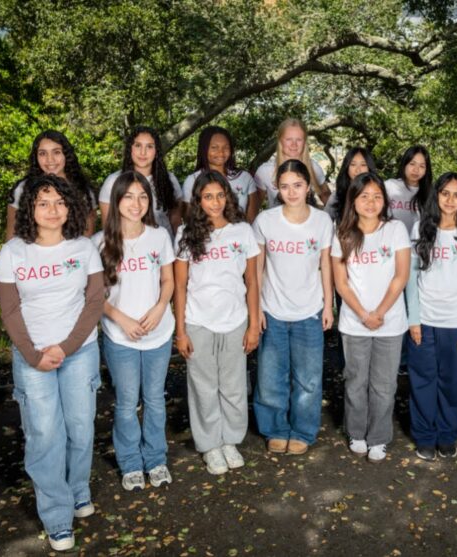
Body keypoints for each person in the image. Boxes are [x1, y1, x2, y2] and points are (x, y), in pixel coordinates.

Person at [0, 175, 105, 552]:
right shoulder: (13, 252)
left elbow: (94, 302)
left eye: (60, 202)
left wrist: (67, 346)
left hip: (79, 352)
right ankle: (57, 517)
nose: (53, 210)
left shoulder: (84, 248)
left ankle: (77, 491)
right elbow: (9, 309)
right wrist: (33, 354)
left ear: (70, 207)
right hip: (32, 357)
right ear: (30, 209)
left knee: (80, 429)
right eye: (43, 203)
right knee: (44, 436)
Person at [93, 171, 176, 492]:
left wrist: (159, 308)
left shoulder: (158, 237)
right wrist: (121, 319)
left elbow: (168, 281)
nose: (136, 203)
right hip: (120, 336)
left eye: (142, 197)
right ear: (116, 201)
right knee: (127, 402)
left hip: (158, 332)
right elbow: (95, 295)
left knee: (154, 399)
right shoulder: (99, 242)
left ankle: (156, 459)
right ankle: (130, 463)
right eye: (128, 196)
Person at [174, 171, 260, 475]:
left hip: (235, 320)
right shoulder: (186, 234)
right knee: (204, 386)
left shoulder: (242, 232)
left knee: (234, 386)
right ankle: (210, 444)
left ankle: (230, 440)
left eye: (220, 195)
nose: (215, 202)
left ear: (229, 196)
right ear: (198, 200)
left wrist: (252, 325)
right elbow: (180, 286)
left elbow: (251, 280)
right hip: (198, 321)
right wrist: (181, 331)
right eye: (208, 196)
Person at [252, 160, 334, 455]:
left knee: (308, 378)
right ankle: (275, 428)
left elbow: (326, 264)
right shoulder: (265, 221)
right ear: (277, 188)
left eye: (297, 185)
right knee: (271, 377)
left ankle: (302, 429)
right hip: (272, 310)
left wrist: (329, 306)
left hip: (309, 311)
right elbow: (258, 266)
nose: (291, 191)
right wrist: (257, 308)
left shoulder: (322, 222)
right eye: (284, 186)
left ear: (308, 186)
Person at [405, 172, 457, 461]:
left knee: (453, 382)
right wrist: (413, 318)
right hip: (425, 321)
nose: (450, 200)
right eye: (445, 193)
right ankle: (425, 436)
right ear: (436, 195)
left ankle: (448, 435)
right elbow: (410, 279)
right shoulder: (419, 229)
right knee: (423, 380)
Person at [331, 172, 410, 463]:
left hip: (390, 322)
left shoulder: (396, 229)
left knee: (384, 383)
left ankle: (379, 437)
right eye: (364, 196)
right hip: (354, 323)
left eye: (377, 196)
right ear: (353, 200)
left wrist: (379, 312)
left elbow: (400, 276)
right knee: (355, 380)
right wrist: (364, 314)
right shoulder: (342, 232)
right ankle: (356, 432)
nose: (371, 201)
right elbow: (341, 283)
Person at [5, 130, 96, 240]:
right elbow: (11, 236)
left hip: (71, 255)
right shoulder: (23, 189)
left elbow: (87, 237)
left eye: (56, 152)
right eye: (43, 153)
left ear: (66, 154)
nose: (50, 159)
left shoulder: (83, 191)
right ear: (36, 157)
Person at [100, 126, 183, 235]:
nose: (143, 152)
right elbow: (107, 225)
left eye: (149, 146)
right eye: (138, 145)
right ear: (130, 148)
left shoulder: (169, 179)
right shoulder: (113, 182)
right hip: (126, 247)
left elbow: (176, 220)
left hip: (164, 248)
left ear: (156, 151)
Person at [182, 126, 259, 223]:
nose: (221, 152)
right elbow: (189, 220)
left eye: (226, 147)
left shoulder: (244, 178)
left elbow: (252, 219)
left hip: (240, 236)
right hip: (205, 236)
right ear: (204, 149)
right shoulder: (192, 180)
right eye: (214, 147)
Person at [253, 118, 328, 211]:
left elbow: (327, 197)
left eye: (299, 140)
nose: (294, 144)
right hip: (276, 224)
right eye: (289, 139)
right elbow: (254, 207)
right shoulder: (265, 171)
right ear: (280, 140)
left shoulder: (314, 167)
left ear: (304, 142)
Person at [384, 145, 432, 234]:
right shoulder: (389, 186)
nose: (416, 170)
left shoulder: (430, 195)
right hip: (389, 243)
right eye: (412, 164)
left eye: (422, 166)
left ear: (426, 170)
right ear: (404, 164)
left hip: (416, 245)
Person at [325, 147, 378, 223]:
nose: (358, 170)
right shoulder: (337, 196)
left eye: (363, 165)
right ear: (347, 168)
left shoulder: (379, 196)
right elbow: (323, 223)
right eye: (353, 164)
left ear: (369, 168)